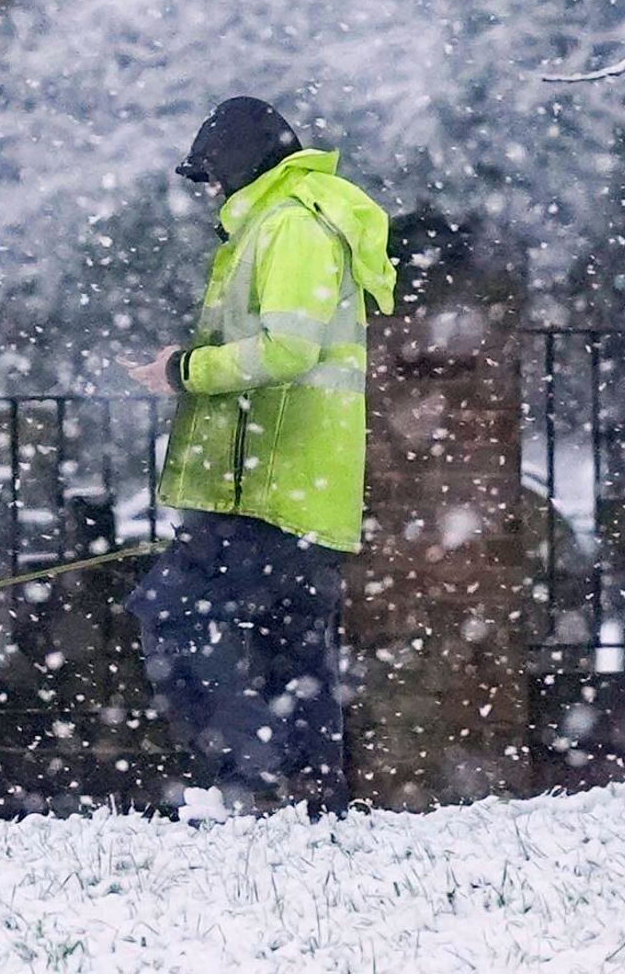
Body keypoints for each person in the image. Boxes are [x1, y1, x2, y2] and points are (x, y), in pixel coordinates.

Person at [125, 94, 393, 814]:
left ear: (239, 166)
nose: (210, 192)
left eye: (211, 175)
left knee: (171, 609)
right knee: (294, 648)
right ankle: (313, 801)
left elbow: (290, 349)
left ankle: (248, 776)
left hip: (272, 482)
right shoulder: (288, 223)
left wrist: (186, 371)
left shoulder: (290, 228)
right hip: (299, 485)